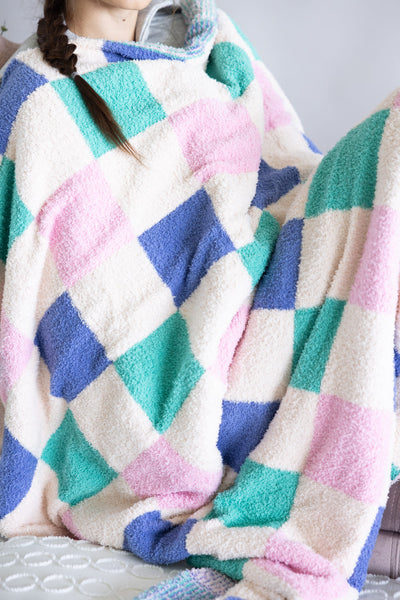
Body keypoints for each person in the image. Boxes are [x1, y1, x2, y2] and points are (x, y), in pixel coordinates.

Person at [1, 1, 400, 599]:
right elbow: (57, 299)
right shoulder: (35, 98)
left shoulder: (210, 42)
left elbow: (284, 167)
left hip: (280, 288)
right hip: (185, 382)